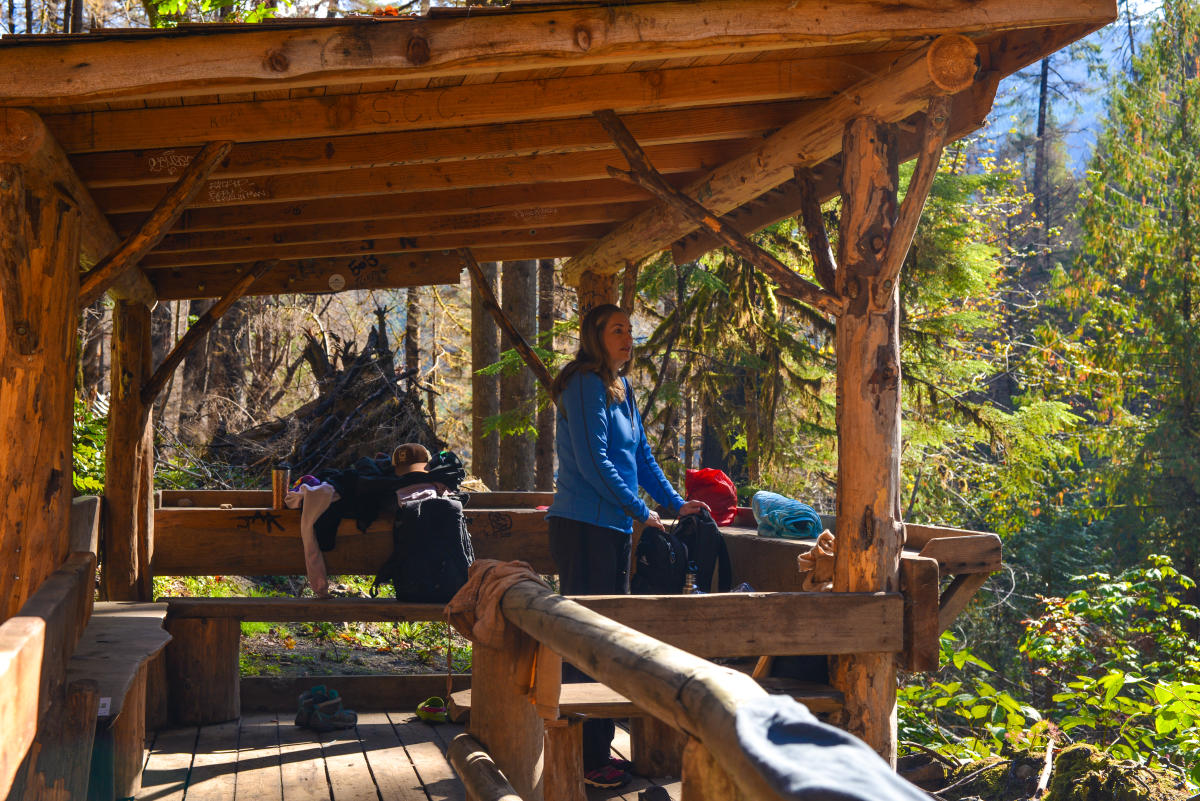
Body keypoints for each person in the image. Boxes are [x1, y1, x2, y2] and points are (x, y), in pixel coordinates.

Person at [546, 303, 709, 789]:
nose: (627, 337)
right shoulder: (582, 384)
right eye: (617, 330)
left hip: (614, 531)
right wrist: (643, 512)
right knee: (585, 643)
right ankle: (581, 754)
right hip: (581, 528)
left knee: (607, 640)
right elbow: (596, 463)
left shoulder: (622, 387)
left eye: (629, 330)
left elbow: (640, 457)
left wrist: (676, 504)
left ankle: (596, 749)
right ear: (594, 336)